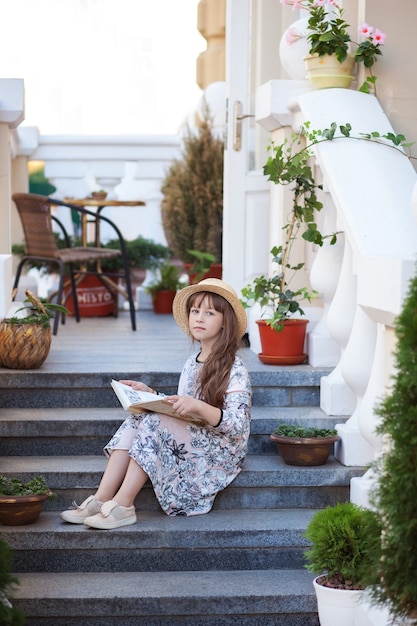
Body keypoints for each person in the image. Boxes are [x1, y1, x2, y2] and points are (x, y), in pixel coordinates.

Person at [61, 278, 252, 529]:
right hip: (196, 435)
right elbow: (186, 407)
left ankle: (124, 504)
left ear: (225, 321)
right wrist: (150, 394)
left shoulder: (235, 368)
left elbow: (236, 425)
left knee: (153, 421)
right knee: (140, 415)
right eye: (195, 311)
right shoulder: (193, 360)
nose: (199, 318)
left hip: (220, 451)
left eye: (209, 313)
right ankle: (101, 497)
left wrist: (196, 406)